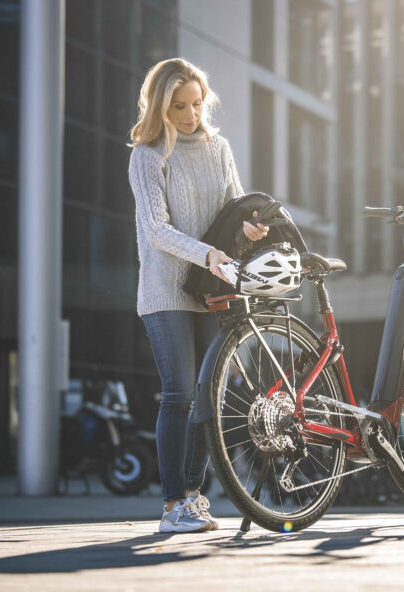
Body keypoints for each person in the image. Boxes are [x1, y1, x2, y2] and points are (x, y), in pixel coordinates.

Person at [127, 58, 269, 533]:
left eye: (196, 103)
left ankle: (193, 497)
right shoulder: (147, 155)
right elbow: (155, 229)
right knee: (179, 394)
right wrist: (208, 253)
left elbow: (235, 206)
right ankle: (171, 507)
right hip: (166, 290)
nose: (191, 114)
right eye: (179, 106)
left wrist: (249, 229)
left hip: (212, 288)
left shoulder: (218, 147)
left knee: (211, 393)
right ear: (159, 106)